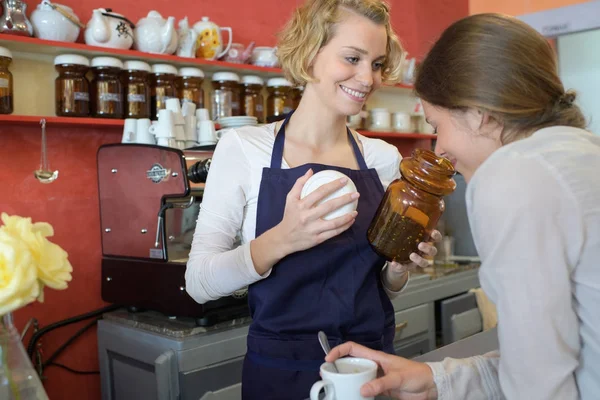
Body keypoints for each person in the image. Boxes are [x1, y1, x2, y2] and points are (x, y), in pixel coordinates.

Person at [326, 13, 600, 400]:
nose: (440, 152)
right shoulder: (582, 152)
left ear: (478, 112)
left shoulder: (512, 174)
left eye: (437, 126)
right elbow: (558, 356)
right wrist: (438, 379)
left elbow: (540, 385)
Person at [184, 0, 442, 398]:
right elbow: (198, 282)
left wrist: (399, 264)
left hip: (370, 367)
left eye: (376, 63)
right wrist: (282, 239)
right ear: (309, 54)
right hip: (281, 373)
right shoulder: (244, 148)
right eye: (352, 58)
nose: (367, 77)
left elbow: (384, 287)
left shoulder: (382, 159)